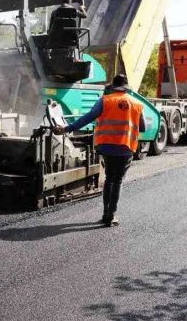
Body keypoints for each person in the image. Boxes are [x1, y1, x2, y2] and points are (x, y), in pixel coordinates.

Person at [53, 74, 145, 227]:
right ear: (126, 88)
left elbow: (88, 117)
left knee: (109, 178)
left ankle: (105, 214)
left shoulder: (105, 101)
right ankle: (111, 215)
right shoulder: (136, 104)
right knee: (118, 181)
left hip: (107, 147)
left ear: (113, 87)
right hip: (125, 148)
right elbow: (142, 128)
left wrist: (67, 128)